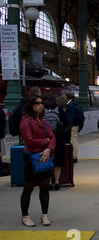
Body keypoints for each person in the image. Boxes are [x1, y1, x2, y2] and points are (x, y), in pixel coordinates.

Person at [19, 95, 56, 227]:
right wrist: (46, 143)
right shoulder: (26, 121)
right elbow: (29, 141)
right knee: (28, 188)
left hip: (44, 156)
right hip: (31, 158)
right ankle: (25, 216)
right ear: (31, 105)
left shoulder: (43, 121)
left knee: (45, 187)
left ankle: (44, 215)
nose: (41, 105)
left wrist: (48, 149)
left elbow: (53, 137)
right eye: (37, 103)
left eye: (42, 103)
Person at [43, 93, 69, 191]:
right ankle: (57, 182)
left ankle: (49, 182)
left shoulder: (43, 110)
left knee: (47, 160)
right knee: (57, 162)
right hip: (58, 138)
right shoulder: (59, 109)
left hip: (46, 139)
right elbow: (66, 123)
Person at [65, 91, 85, 163]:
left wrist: (68, 126)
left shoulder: (70, 105)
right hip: (76, 125)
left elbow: (71, 117)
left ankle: (74, 157)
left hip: (72, 125)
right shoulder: (75, 104)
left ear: (67, 97)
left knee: (73, 140)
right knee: (74, 139)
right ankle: (74, 156)